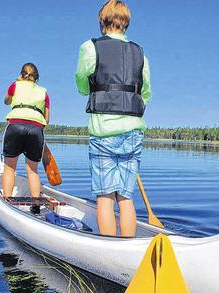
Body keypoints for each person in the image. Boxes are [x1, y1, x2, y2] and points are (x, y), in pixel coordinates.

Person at [75, 0, 152, 237]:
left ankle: (109, 249)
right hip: (133, 131)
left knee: (106, 197)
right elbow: (146, 92)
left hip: (104, 131)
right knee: (126, 197)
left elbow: (81, 81)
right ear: (125, 22)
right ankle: (128, 248)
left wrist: (90, 89)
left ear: (102, 21)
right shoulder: (140, 52)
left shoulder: (90, 47)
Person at [2, 63, 51, 214]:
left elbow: (6, 101)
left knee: (10, 167)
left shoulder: (15, 85)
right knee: (32, 170)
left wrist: (17, 81)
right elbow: (47, 119)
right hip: (36, 129)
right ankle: (35, 205)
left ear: (21, 74)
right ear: (37, 77)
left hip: (15, 126)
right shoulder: (44, 92)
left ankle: (7, 201)